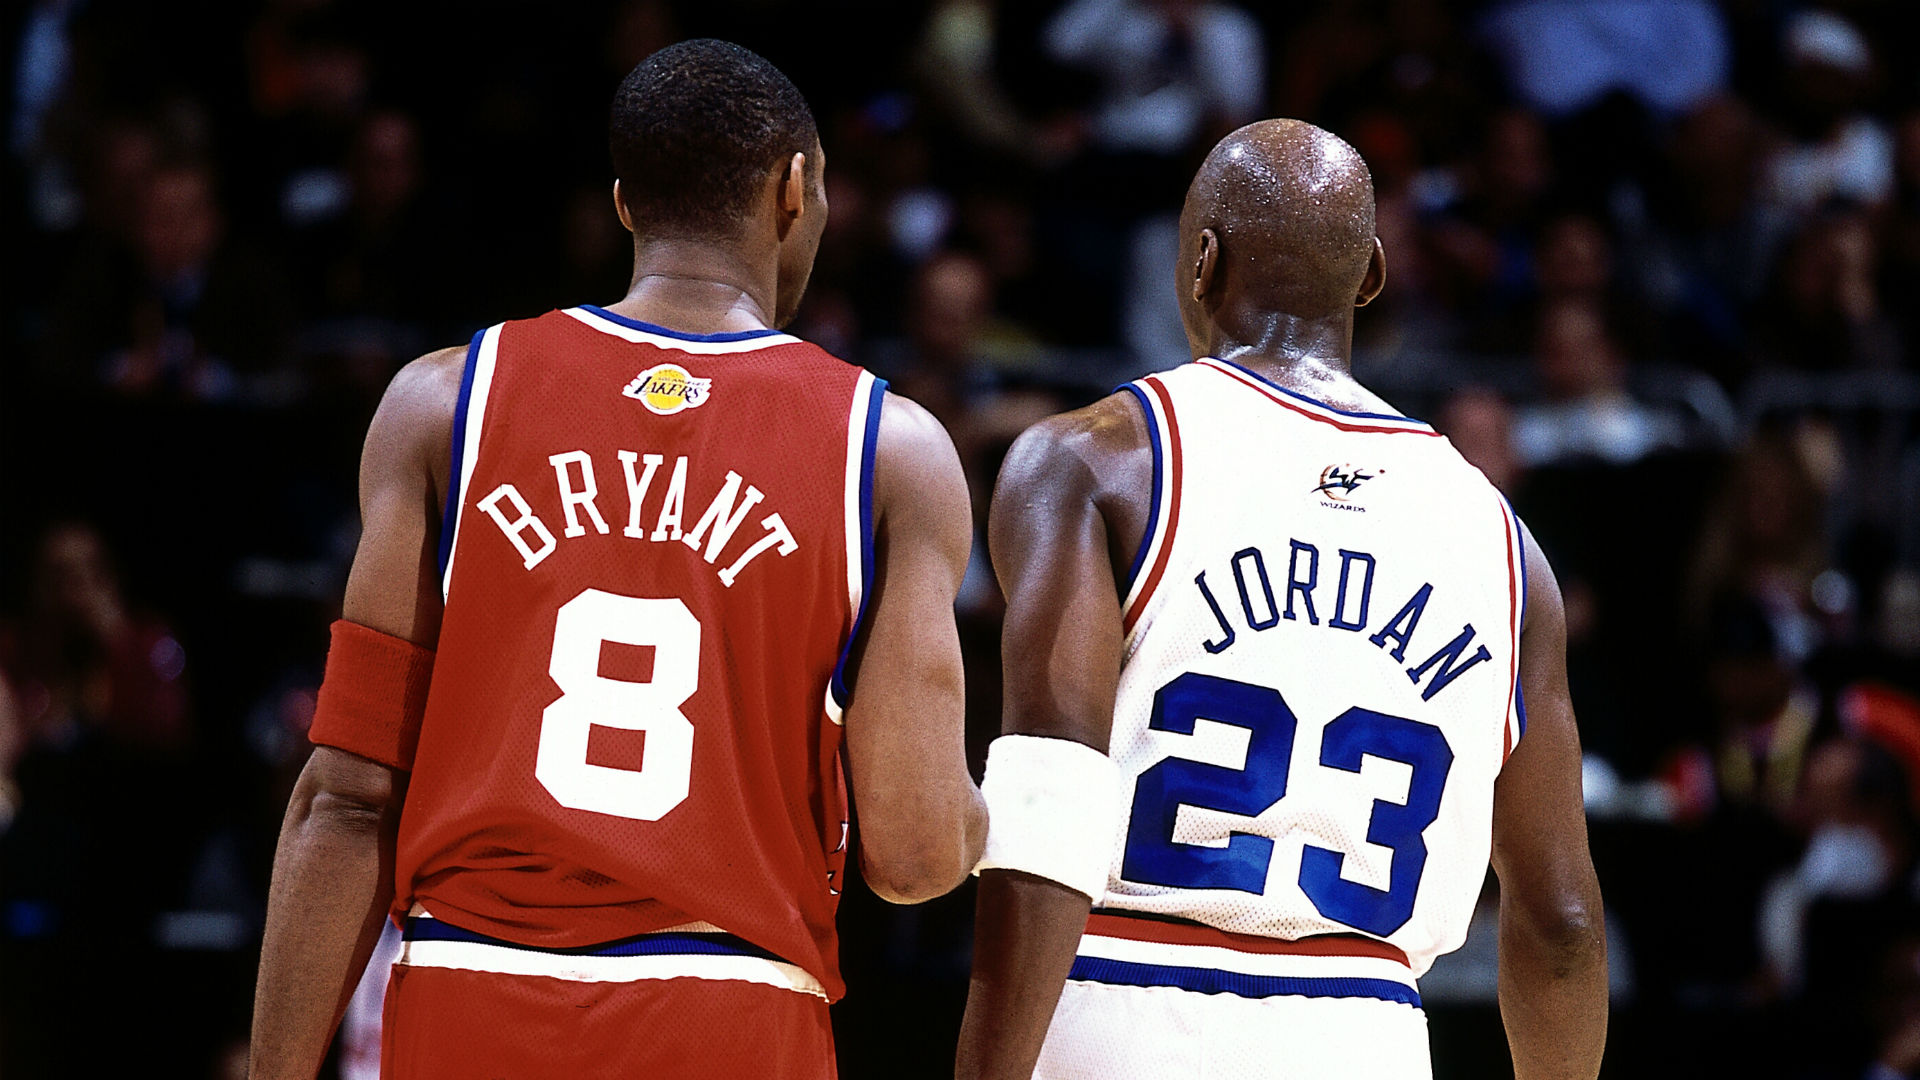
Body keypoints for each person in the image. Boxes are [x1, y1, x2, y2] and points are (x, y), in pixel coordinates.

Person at [248, 39, 986, 1080]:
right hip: (731, 1009)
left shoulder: (445, 402)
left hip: (473, 993)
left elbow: (346, 798)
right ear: (794, 189)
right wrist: (1013, 809)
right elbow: (913, 859)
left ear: (625, 203)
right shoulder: (889, 450)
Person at [957, 119, 1607, 1080]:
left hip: (1121, 1003)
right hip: (1368, 1031)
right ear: (1372, 275)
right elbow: (1560, 924)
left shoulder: (1101, 458)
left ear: (1201, 263)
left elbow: (1049, 813)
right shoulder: (1504, 544)